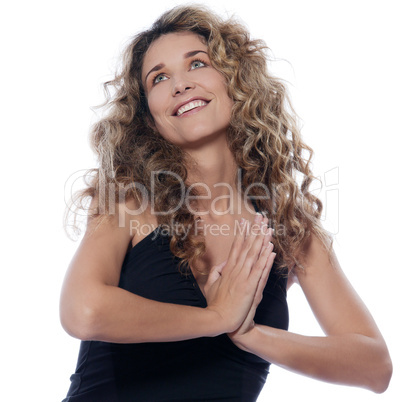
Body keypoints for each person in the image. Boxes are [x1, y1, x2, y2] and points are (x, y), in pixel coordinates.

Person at [60, 5, 392, 401]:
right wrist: (214, 318)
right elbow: (83, 311)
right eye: (160, 78)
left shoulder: (288, 226)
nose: (180, 84)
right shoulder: (130, 201)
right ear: (149, 117)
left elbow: (375, 367)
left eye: (197, 63)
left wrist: (250, 334)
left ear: (235, 81)